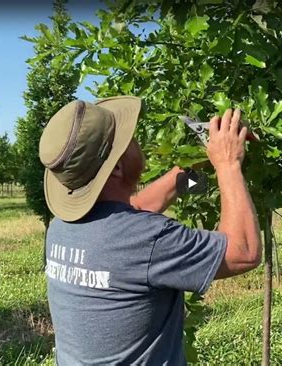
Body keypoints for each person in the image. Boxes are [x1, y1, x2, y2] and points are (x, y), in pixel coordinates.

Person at [39, 96, 262, 365]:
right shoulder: (148, 239)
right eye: (128, 139)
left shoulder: (61, 229)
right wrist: (227, 163)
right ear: (117, 167)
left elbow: (134, 209)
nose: (136, 141)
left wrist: (193, 170)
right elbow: (243, 251)